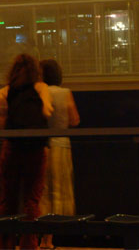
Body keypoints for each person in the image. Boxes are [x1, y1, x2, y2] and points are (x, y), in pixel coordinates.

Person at [0, 54, 52, 250]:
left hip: (11, 148)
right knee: (31, 201)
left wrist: (1, 121)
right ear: (36, 71)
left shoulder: (7, 91)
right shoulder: (41, 87)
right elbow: (47, 112)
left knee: (7, 201)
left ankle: (5, 246)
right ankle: (29, 245)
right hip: (35, 150)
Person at [38, 59, 80, 250]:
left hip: (44, 146)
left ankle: (42, 238)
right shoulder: (66, 93)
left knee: (43, 191)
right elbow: (74, 120)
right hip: (62, 145)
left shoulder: (41, 93)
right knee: (59, 190)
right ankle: (51, 238)